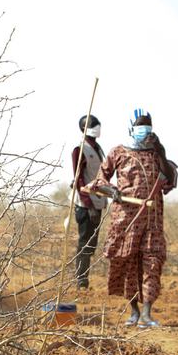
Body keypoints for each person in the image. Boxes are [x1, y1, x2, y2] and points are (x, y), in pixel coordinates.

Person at [90, 109, 177, 328]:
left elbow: (170, 178)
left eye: (147, 128)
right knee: (127, 264)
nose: (144, 131)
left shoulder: (156, 153)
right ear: (131, 129)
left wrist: (161, 151)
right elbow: (99, 180)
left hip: (153, 220)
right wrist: (111, 190)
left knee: (152, 264)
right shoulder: (118, 152)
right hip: (126, 220)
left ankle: (147, 313)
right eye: (140, 128)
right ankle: (134, 312)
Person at [70, 115, 107, 288]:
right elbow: (78, 179)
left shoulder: (97, 148)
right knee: (85, 241)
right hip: (85, 205)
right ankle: (81, 280)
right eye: (93, 125)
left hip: (97, 201)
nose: (97, 127)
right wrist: (89, 204)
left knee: (92, 242)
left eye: (97, 124)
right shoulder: (80, 149)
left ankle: (83, 278)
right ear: (84, 128)